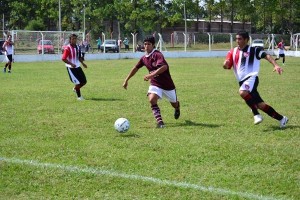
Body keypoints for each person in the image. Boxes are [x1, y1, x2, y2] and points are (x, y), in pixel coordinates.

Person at [223, 31, 288, 128]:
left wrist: (276, 65)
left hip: (251, 78)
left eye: (240, 39)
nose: (237, 41)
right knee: (260, 105)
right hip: (242, 81)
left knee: (242, 92)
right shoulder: (232, 51)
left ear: (246, 40)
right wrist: (225, 64)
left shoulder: (254, 50)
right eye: (236, 39)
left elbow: (267, 56)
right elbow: (227, 64)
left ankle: (256, 115)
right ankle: (282, 119)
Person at [123, 36, 180, 128]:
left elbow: (164, 67)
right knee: (152, 99)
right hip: (155, 83)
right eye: (145, 44)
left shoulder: (157, 55)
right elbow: (135, 68)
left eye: (149, 44)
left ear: (153, 45)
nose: (146, 46)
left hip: (167, 84)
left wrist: (151, 75)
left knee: (174, 104)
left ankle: (177, 107)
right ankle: (160, 122)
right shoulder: (144, 58)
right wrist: (126, 80)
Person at [62, 34, 87, 101]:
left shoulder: (78, 47)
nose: (74, 40)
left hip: (78, 67)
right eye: (73, 39)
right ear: (70, 40)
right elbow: (63, 58)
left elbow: (79, 57)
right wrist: (71, 64)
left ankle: (76, 89)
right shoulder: (67, 48)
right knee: (78, 82)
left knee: (84, 81)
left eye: (75, 38)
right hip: (71, 68)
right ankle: (79, 97)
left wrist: (83, 63)